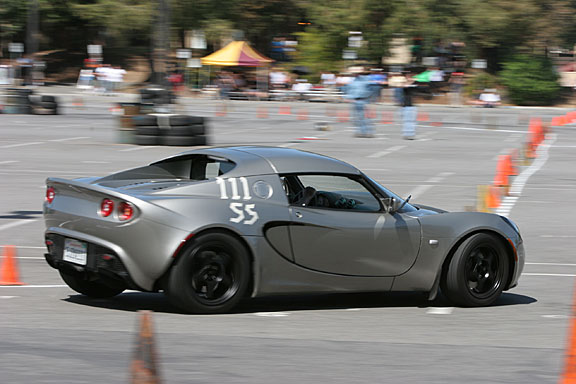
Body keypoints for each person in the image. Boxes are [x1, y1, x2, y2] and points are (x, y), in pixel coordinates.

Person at [345, 68, 375, 137]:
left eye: (356, 72)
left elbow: (370, 89)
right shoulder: (352, 81)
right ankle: (360, 132)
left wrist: (368, 96)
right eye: (353, 73)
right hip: (355, 100)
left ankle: (368, 132)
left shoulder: (366, 79)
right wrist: (348, 97)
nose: (355, 74)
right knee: (357, 118)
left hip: (363, 100)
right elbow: (349, 90)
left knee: (366, 117)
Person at [401, 73, 418, 140]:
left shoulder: (414, 85)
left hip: (411, 105)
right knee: (407, 121)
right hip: (406, 105)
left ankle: (411, 134)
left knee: (412, 121)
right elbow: (405, 86)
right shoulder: (405, 85)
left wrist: (412, 80)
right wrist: (410, 80)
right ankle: (406, 134)